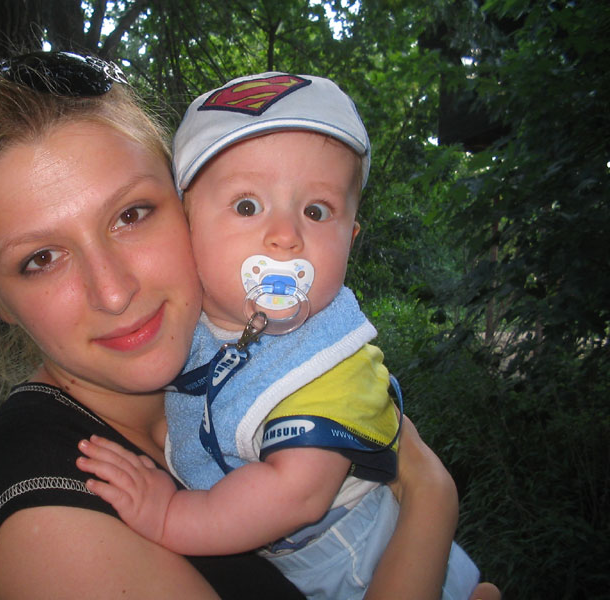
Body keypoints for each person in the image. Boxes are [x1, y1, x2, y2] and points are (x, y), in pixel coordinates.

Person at [0, 51, 487, 600]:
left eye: (131, 215)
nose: (113, 291)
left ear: (185, 209)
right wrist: (432, 496)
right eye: (41, 258)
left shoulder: (258, 365)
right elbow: (404, 479)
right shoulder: (44, 518)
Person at [77, 73, 500, 599]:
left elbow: (295, 492)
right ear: (186, 225)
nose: (285, 235)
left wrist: (170, 515)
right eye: (247, 206)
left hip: (362, 555)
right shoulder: (190, 332)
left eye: (316, 211)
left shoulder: (331, 363)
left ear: (350, 240)